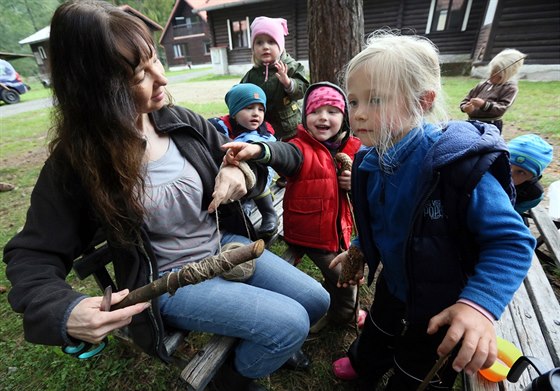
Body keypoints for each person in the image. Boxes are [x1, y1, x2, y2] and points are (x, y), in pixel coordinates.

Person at [3, 2, 330, 391]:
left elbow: (276, 163)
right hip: (170, 283)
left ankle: (264, 343)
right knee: (289, 323)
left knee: (316, 301)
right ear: (97, 89)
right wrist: (62, 311)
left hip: (225, 247)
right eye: (140, 73)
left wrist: (239, 168)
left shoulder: (182, 123)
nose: (161, 77)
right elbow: (31, 256)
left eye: (154, 58)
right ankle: (232, 380)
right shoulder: (78, 162)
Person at [328, 31, 536, 390]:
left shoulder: (457, 168)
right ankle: (366, 363)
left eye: (374, 100)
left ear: (422, 102)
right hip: (395, 281)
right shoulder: (369, 159)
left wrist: (479, 305)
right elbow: (377, 215)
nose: (358, 114)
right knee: (380, 327)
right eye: (354, 101)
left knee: (420, 362)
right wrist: (361, 246)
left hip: (442, 301)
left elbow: (512, 243)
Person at [222, 82, 365, 332]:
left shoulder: (352, 150)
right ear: (304, 116)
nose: (323, 117)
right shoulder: (300, 149)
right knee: (345, 277)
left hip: (336, 230)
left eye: (332, 111)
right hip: (310, 235)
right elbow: (280, 153)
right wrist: (258, 149)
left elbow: (371, 184)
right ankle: (342, 315)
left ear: (344, 118)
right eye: (315, 111)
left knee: (340, 274)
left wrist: (354, 182)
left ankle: (338, 306)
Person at [240, 16, 309, 188]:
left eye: (271, 41)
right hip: (265, 123)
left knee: (292, 149)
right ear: (253, 48)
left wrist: (288, 83)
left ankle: (295, 174)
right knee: (270, 149)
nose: (265, 46)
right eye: (259, 42)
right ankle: (272, 175)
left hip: (289, 122)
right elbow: (242, 91)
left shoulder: (290, 66)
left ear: (280, 45)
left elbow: (303, 89)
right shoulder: (252, 74)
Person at [209, 83, 279, 239]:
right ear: (234, 112)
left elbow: (270, 150)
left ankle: (268, 212)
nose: (256, 114)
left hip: (257, 177)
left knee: (260, 179)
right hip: (226, 172)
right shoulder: (219, 127)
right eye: (249, 108)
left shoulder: (263, 132)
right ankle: (237, 208)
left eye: (261, 109)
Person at [459, 48, 526, 133]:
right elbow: (466, 99)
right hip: (472, 122)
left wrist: (484, 105)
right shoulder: (482, 85)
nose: (493, 78)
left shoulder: (510, 88)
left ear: (510, 74)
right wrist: (465, 107)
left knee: (487, 145)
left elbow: (502, 108)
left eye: (499, 76)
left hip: (491, 125)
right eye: (492, 73)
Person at [508, 134, 553, 214]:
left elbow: (510, 214)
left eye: (521, 172)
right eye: (507, 164)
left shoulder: (532, 195)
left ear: (531, 177)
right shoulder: (486, 172)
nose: (509, 174)